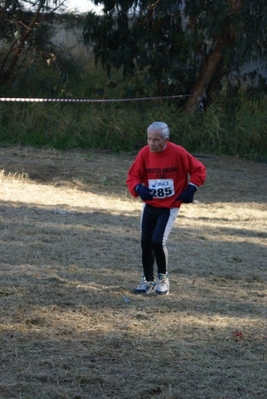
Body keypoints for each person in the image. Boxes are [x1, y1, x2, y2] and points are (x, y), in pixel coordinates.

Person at [126, 121, 206, 295]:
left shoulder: (178, 153)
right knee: (146, 243)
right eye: (149, 139)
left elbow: (199, 170)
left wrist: (191, 187)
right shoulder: (144, 154)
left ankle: (163, 279)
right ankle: (147, 280)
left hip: (169, 207)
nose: (151, 144)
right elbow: (132, 177)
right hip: (150, 206)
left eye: (156, 140)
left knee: (158, 241)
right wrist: (139, 188)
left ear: (166, 139)